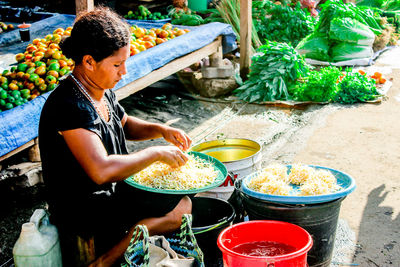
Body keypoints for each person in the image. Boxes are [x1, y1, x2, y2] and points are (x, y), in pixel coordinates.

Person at [39, 7, 192, 266]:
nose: (124, 72)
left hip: (113, 191)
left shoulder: (100, 89)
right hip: (82, 207)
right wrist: (155, 153)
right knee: (179, 211)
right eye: (117, 65)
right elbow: (100, 170)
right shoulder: (69, 106)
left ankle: (130, 241)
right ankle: (105, 261)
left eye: (125, 62)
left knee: (184, 198)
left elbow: (125, 124)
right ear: (88, 61)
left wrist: (161, 130)